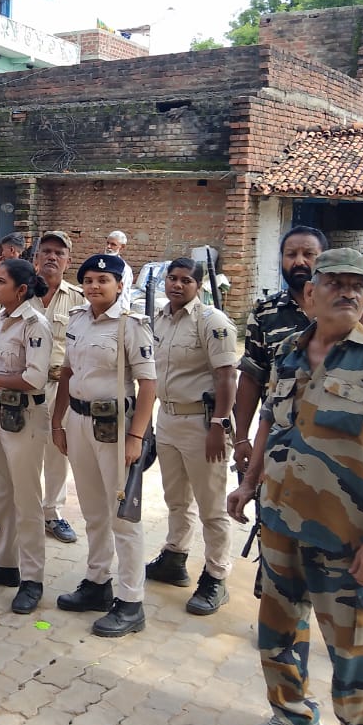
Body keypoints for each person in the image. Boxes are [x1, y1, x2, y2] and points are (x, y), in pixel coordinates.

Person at [227, 248, 363, 725]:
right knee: (278, 634)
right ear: (311, 293)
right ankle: (292, 716)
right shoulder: (290, 349)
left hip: (346, 536)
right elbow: (271, 416)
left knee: (357, 648)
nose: (349, 292)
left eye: (358, 284)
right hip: (279, 525)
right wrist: (248, 483)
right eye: (336, 282)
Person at [50, 253, 156, 637]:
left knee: (123, 517)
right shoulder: (77, 319)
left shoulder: (131, 326)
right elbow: (67, 372)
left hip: (115, 428)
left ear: (119, 285)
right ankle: (97, 584)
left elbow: (148, 385)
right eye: (89, 280)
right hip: (77, 421)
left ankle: (131, 601)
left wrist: (136, 436)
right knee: (94, 511)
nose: (95, 286)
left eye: (103, 280)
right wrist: (57, 420)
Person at [145, 257, 238, 616]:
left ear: (198, 285)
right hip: (168, 419)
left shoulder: (211, 321)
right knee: (176, 498)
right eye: (172, 278)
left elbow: (227, 376)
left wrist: (219, 424)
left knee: (212, 506)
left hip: (202, 424)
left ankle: (216, 576)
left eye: (185, 280)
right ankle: (175, 556)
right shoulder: (161, 318)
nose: (177, 285)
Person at [0, 258, 52, 614]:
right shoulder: (4, 319)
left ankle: (33, 577)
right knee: (1, 494)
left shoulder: (35, 325)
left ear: (21, 289)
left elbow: (34, 378)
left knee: (27, 500)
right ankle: (5, 563)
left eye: (1, 281)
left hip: (25, 417)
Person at [233, 226, 329, 477]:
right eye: (291, 254)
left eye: (309, 254)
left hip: (333, 446)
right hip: (278, 441)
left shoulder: (342, 311)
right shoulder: (266, 311)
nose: (299, 261)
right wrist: (241, 438)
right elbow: (252, 376)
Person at [29, 231, 84, 545]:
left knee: (56, 453)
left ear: (68, 261)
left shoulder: (78, 298)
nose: (51, 257)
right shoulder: (23, 291)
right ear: (36, 258)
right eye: (46, 251)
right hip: (23, 388)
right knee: (21, 453)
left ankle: (53, 514)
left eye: (58, 253)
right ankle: (17, 510)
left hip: (60, 388)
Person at [104, 230, 136, 296]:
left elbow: (123, 294)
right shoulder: (99, 263)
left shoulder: (124, 269)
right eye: (107, 243)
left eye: (113, 244)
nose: (108, 247)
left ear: (122, 247)